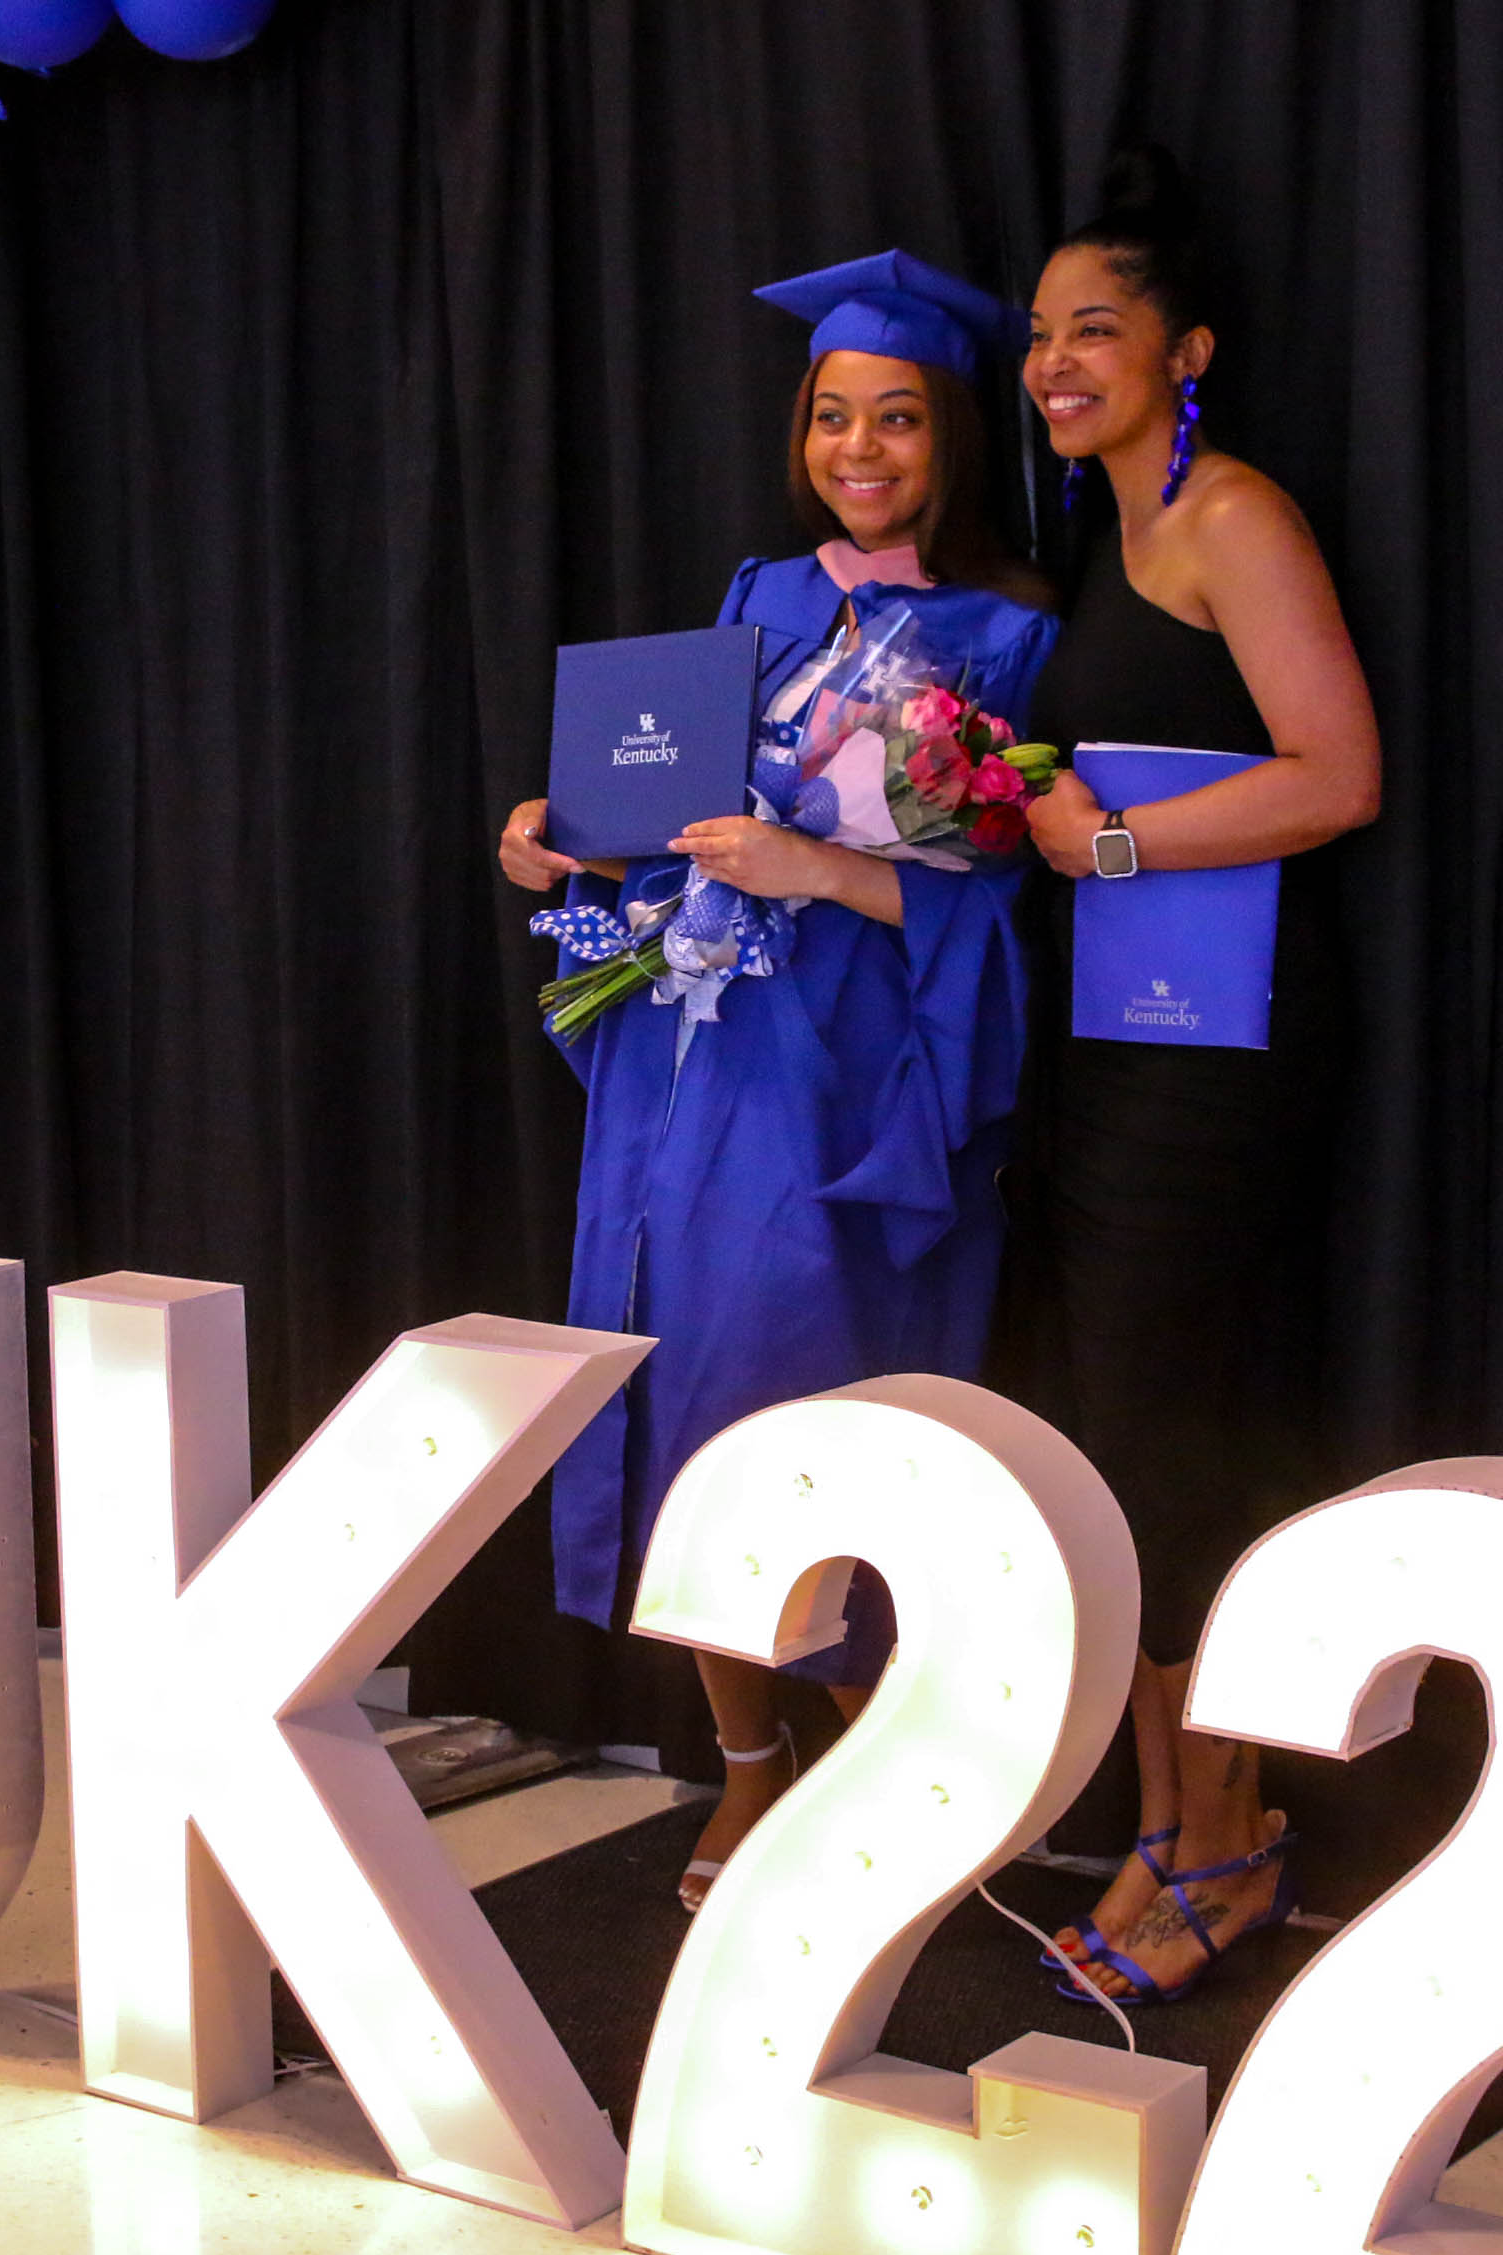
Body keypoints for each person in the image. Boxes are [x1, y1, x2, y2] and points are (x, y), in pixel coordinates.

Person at [499, 250, 1058, 1908]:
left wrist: (821, 872)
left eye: (896, 417)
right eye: (831, 416)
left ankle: (897, 1768)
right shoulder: (756, 593)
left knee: (816, 1402)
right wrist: (567, 841)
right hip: (691, 1052)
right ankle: (746, 1763)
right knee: (675, 1391)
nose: (857, 449)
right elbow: (668, 808)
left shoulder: (1012, 633)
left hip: (855, 1077)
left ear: (950, 433)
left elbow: (1009, 897)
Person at [1013, 149, 1384, 2004]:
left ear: (1189, 353)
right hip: (1113, 1048)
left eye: (1096, 328)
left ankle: (1227, 1841)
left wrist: (1112, 846)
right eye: (1038, 334)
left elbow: (1337, 775)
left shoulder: (1231, 516)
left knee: (1182, 1434)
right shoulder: (1107, 532)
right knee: (1127, 1435)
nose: (1054, 362)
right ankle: (1173, 1824)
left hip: (1215, 1058)